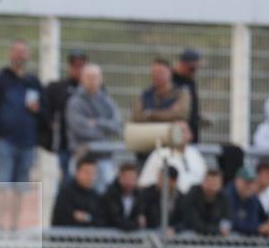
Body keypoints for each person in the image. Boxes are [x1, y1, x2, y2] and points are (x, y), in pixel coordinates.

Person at [0, 40, 43, 231]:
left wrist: (38, 111)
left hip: (27, 142)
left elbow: (44, 110)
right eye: (16, 52)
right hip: (5, 142)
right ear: (10, 55)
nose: (20, 56)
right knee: (2, 184)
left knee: (19, 188)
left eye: (23, 52)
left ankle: (14, 226)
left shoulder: (33, 82)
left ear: (28, 56)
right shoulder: (0, 80)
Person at [65, 63, 122, 191]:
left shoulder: (108, 102)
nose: (92, 80)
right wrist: (105, 131)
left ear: (101, 79)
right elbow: (79, 128)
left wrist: (96, 122)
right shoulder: (75, 102)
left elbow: (117, 126)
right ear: (82, 79)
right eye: (88, 77)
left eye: (95, 77)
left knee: (106, 195)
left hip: (105, 159)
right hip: (82, 159)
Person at [45, 50, 87, 181]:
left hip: (87, 144)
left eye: (81, 65)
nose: (78, 69)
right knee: (68, 181)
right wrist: (50, 122)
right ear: (69, 67)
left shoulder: (93, 88)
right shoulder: (59, 88)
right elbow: (45, 106)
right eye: (75, 65)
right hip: (66, 145)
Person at [131, 58, 190, 126]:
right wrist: (167, 113)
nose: (157, 75)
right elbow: (136, 116)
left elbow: (179, 115)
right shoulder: (144, 94)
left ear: (170, 72)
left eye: (160, 72)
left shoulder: (181, 93)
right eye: (154, 72)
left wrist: (149, 113)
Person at [171, 49, 203, 143]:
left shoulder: (190, 82)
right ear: (183, 64)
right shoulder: (171, 81)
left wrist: (197, 117)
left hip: (192, 133)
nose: (194, 72)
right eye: (192, 68)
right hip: (177, 134)